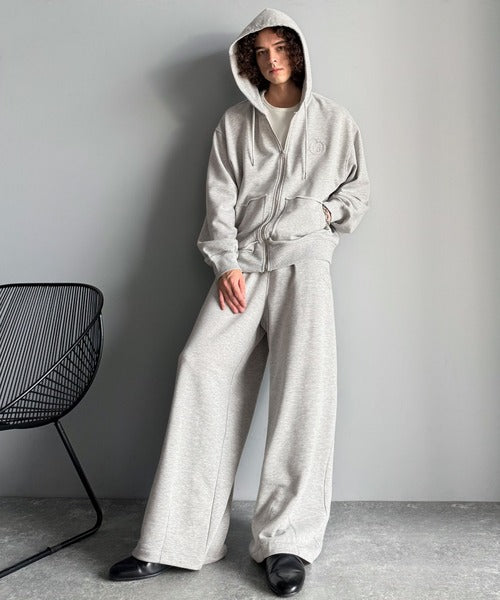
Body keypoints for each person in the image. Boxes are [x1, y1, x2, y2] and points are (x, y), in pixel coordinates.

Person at [109, 7, 370, 597]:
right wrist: (225, 262)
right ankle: (179, 538)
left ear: (297, 51)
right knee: (200, 368)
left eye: (282, 48)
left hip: (305, 264)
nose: (273, 60)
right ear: (249, 60)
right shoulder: (233, 124)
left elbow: (358, 192)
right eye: (261, 52)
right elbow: (219, 198)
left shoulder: (335, 120)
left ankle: (287, 544)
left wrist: (321, 212)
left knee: (304, 395)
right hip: (243, 267)